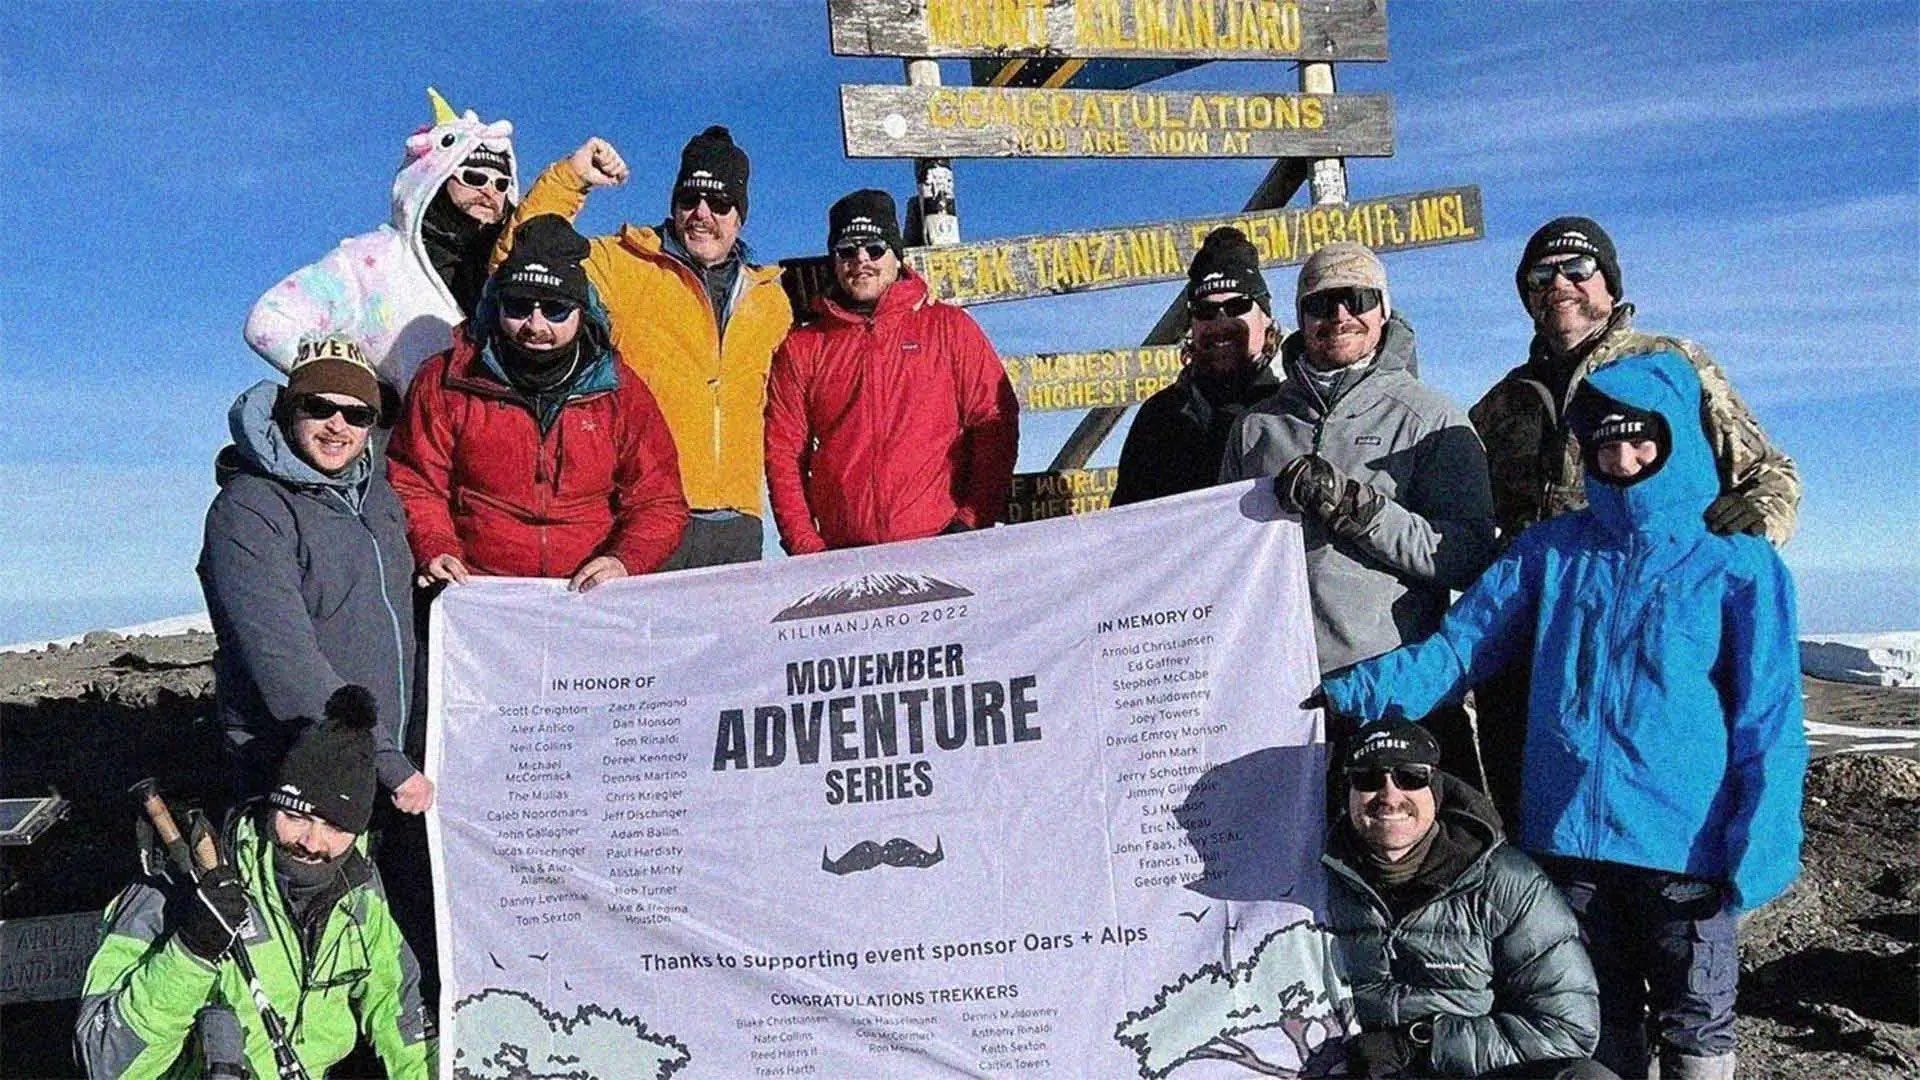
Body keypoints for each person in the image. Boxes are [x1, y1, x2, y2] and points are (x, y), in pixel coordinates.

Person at [1323, 350, 1808, 1080]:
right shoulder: (1551, 551)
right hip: (1570, 845)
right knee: (1590, 1024)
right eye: (1605, 441)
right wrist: (1347, 693)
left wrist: (1759, 850)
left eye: (1641, 437)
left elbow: (1768, 722)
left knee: (1696, 1032)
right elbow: (1459, 651)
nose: (1621, 454)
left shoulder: (1738, 565)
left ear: (1676, 437)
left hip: (1686, 855)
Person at [1467, 215, 1803, 828]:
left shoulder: (1669, 366)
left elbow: (1769, 472)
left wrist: (1754, 521)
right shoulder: (1498, 404)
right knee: (1533, 825)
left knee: (1651, 819)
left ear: (1609, 283)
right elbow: (1470, 523)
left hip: (1644, 632)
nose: (1560, 284)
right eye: (1542, 274)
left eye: (1578, 268)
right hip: (1530, 648)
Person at [1220, 242, 1496, 780]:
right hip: (1283, 699)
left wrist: (1360, 509)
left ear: (1383, 309)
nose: (1340, 316)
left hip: (1393, 692)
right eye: (1322, 304)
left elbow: (1466, 554)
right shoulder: (1256, 428)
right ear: (1300, 318)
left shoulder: (1432, 417)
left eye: (1357, 299)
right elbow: (1225, 558)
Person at [77, 687, 433, 1079]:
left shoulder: (360, 892)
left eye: (335, 826)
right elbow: (103, 1063)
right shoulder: (170, 893)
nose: (313, 843)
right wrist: (190, 951)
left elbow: (399, 1014)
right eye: (296, 818)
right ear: (271, 808)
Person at [495, 126, 792, 568]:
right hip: (642, 512)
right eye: (689, 199)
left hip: (738, 524)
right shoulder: (623, 264)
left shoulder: (771, 300)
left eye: (720, 203)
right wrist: (570, 179)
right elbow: (520, 264)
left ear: (740, 215)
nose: (701, 214)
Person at [388, 214, 687, 587]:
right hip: (479, 590)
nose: (535, 325)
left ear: (582, 312)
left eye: (555, 309)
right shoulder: (446, 381)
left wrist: (624, 560)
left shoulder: (619, 391)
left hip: (587, 593)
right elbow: (415, 481)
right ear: (497, 305)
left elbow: (658, 499)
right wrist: (435, 545)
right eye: (518, 306)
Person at [198, 335, 426, 813]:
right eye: (319, 408)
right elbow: (284, 660)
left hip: (385, 761)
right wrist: (389, 762)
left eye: (358, 414)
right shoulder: (249, 510)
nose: (337, 426)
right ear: (289, 410)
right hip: (296, 768)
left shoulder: (379, 499)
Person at [1324, 722, 1607, 1079]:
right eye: (1367, 779)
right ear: (1346, 790)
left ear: (1436, 789)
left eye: (1410, 777)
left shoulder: (1508, 884)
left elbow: (1567, 1029)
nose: (1390, 795)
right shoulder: (1309, 881)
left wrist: (1422, 1043)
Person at [764, 189, 1019, 554]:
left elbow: (995, 421)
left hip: (941, 544)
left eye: (874, 248)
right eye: (847, 250)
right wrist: (804, 544)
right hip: (843, 556)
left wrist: (972, 520)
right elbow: (784, 452)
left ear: (896, 257)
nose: (861, 260)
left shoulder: (949, 328)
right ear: (834, 261)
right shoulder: (804, 346)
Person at [246, 88, 517, 394]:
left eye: (501, 182)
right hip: (401, 439)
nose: (489, 190)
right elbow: (270, 322)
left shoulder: (511, 267)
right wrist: (360, 389)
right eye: (474, 177)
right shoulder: (370, 262)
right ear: (434, 177)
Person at [1110, 227, 1282, 507]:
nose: (1220, 323)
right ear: (1192, 325)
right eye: (1205, 311)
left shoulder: (1295, 407)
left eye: (1238, 307)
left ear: (1266, 319)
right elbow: (1126, 524)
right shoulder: (1160, 416)